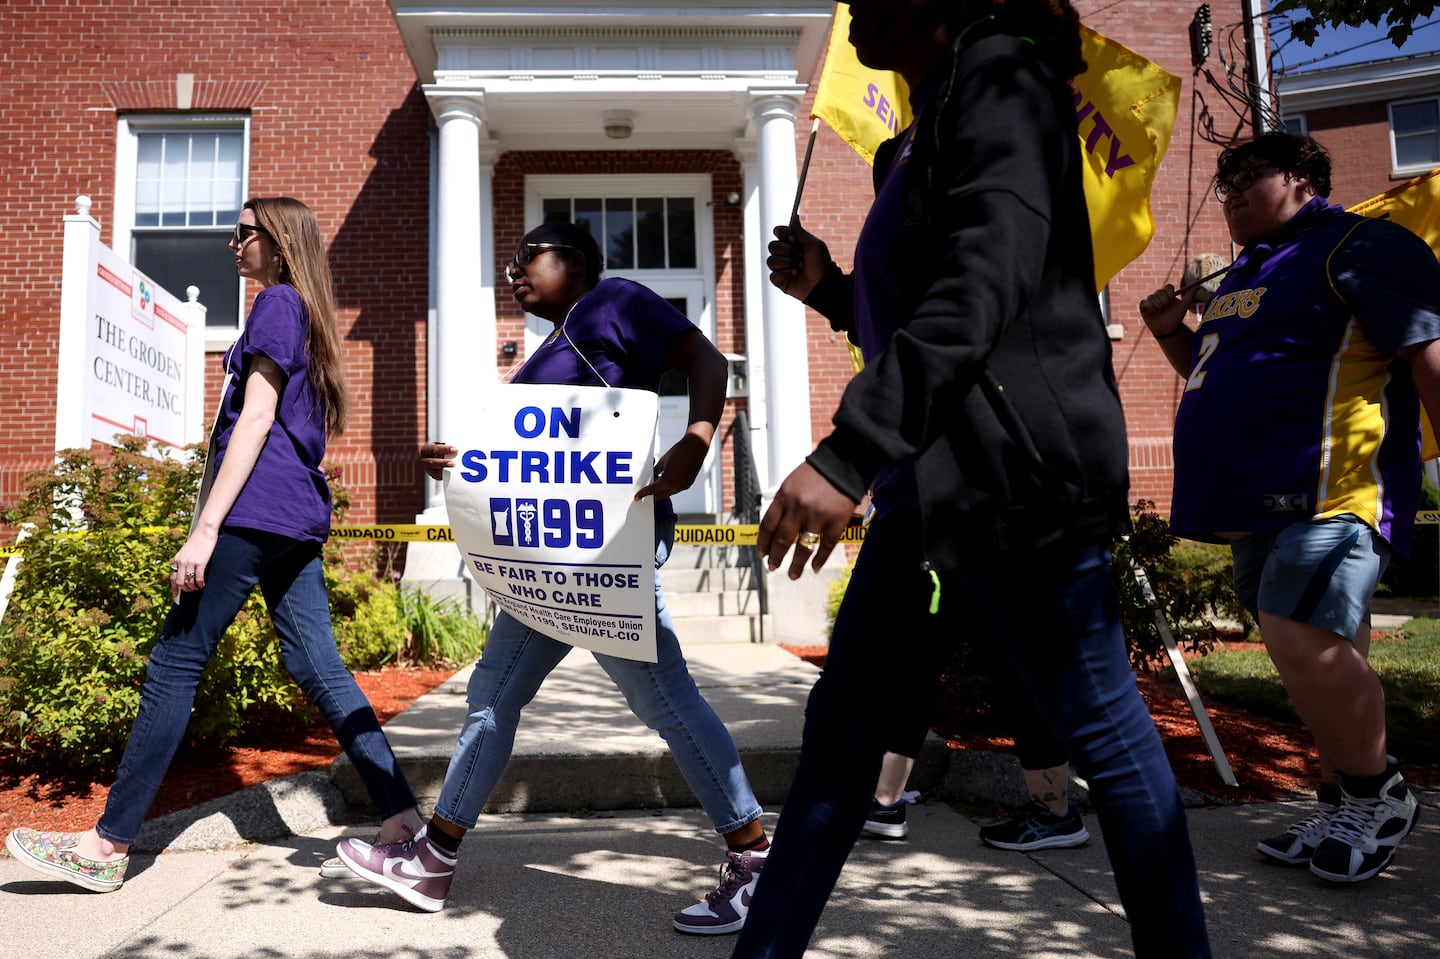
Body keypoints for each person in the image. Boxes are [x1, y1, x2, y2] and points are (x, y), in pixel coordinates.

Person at [734, 1, 1211, 956]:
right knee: (841, 737)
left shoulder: (1003, 79)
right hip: (926, 487)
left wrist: (848, 451)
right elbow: (916, 318)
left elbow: (984, 283)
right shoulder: (911, 139)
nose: (855, 10)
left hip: (1015, 480)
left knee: (1105, 734)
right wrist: (830, 289)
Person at [335, 221, 771, 933]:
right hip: (548, 563)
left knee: (663, 698)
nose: (512, 271)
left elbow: (706, 358)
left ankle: (757, 864)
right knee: (491, 695)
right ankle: (432, 860)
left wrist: (696, 442)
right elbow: (538, 455)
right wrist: (468, 457)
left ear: (573, 260)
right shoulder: (545, 357)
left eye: (524, 257)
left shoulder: (616, 302)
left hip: (606, 553)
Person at [5, 197, 424, 891]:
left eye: (244, 232)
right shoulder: (305, 313)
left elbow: (255, 418)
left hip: (252, 512)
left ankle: (107, 846)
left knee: (175, 661)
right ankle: (403, 824)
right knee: (320, 667)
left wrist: (205, 529)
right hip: (292, 517)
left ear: (279, 242)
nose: (232, 243)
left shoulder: (276, 303)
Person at [1139, 131, 1439, 884]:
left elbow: (1427, 348)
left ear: (1304, 177)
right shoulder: (1251, 270)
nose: (1232, 192)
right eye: (1224, 183)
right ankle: (1341, 799)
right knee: (1314, 652)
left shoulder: (1360, 245)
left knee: (1300, 635)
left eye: (1248, 176)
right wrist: (1174, 334)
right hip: (1252, 503)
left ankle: (1380, 795)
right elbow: (1217, 374)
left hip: (1328, 491)